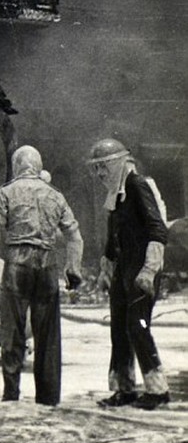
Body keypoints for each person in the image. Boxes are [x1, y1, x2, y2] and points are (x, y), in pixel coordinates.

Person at [0, 146, 82, 405]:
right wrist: (73, 269)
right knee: (48, 335)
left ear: (16, 165)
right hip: (47, 266)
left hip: (16, 266)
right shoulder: (55, 195)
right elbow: (74, 235)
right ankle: (48, 397)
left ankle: (11, 393)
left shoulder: (6, 193)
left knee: (13, 331)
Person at [87, 138, 170, 410]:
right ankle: (125, 388)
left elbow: (158, 229)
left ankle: (158, 390)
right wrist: (106, 267)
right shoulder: (116, 195)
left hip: (141, 269)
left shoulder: (137, 185)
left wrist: (149, 269)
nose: (99, 174)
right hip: (124, 269)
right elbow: (114, 236)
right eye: (96, 169)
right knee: (120, 329)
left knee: (138, 326)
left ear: (120, 163)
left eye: (103, 167)